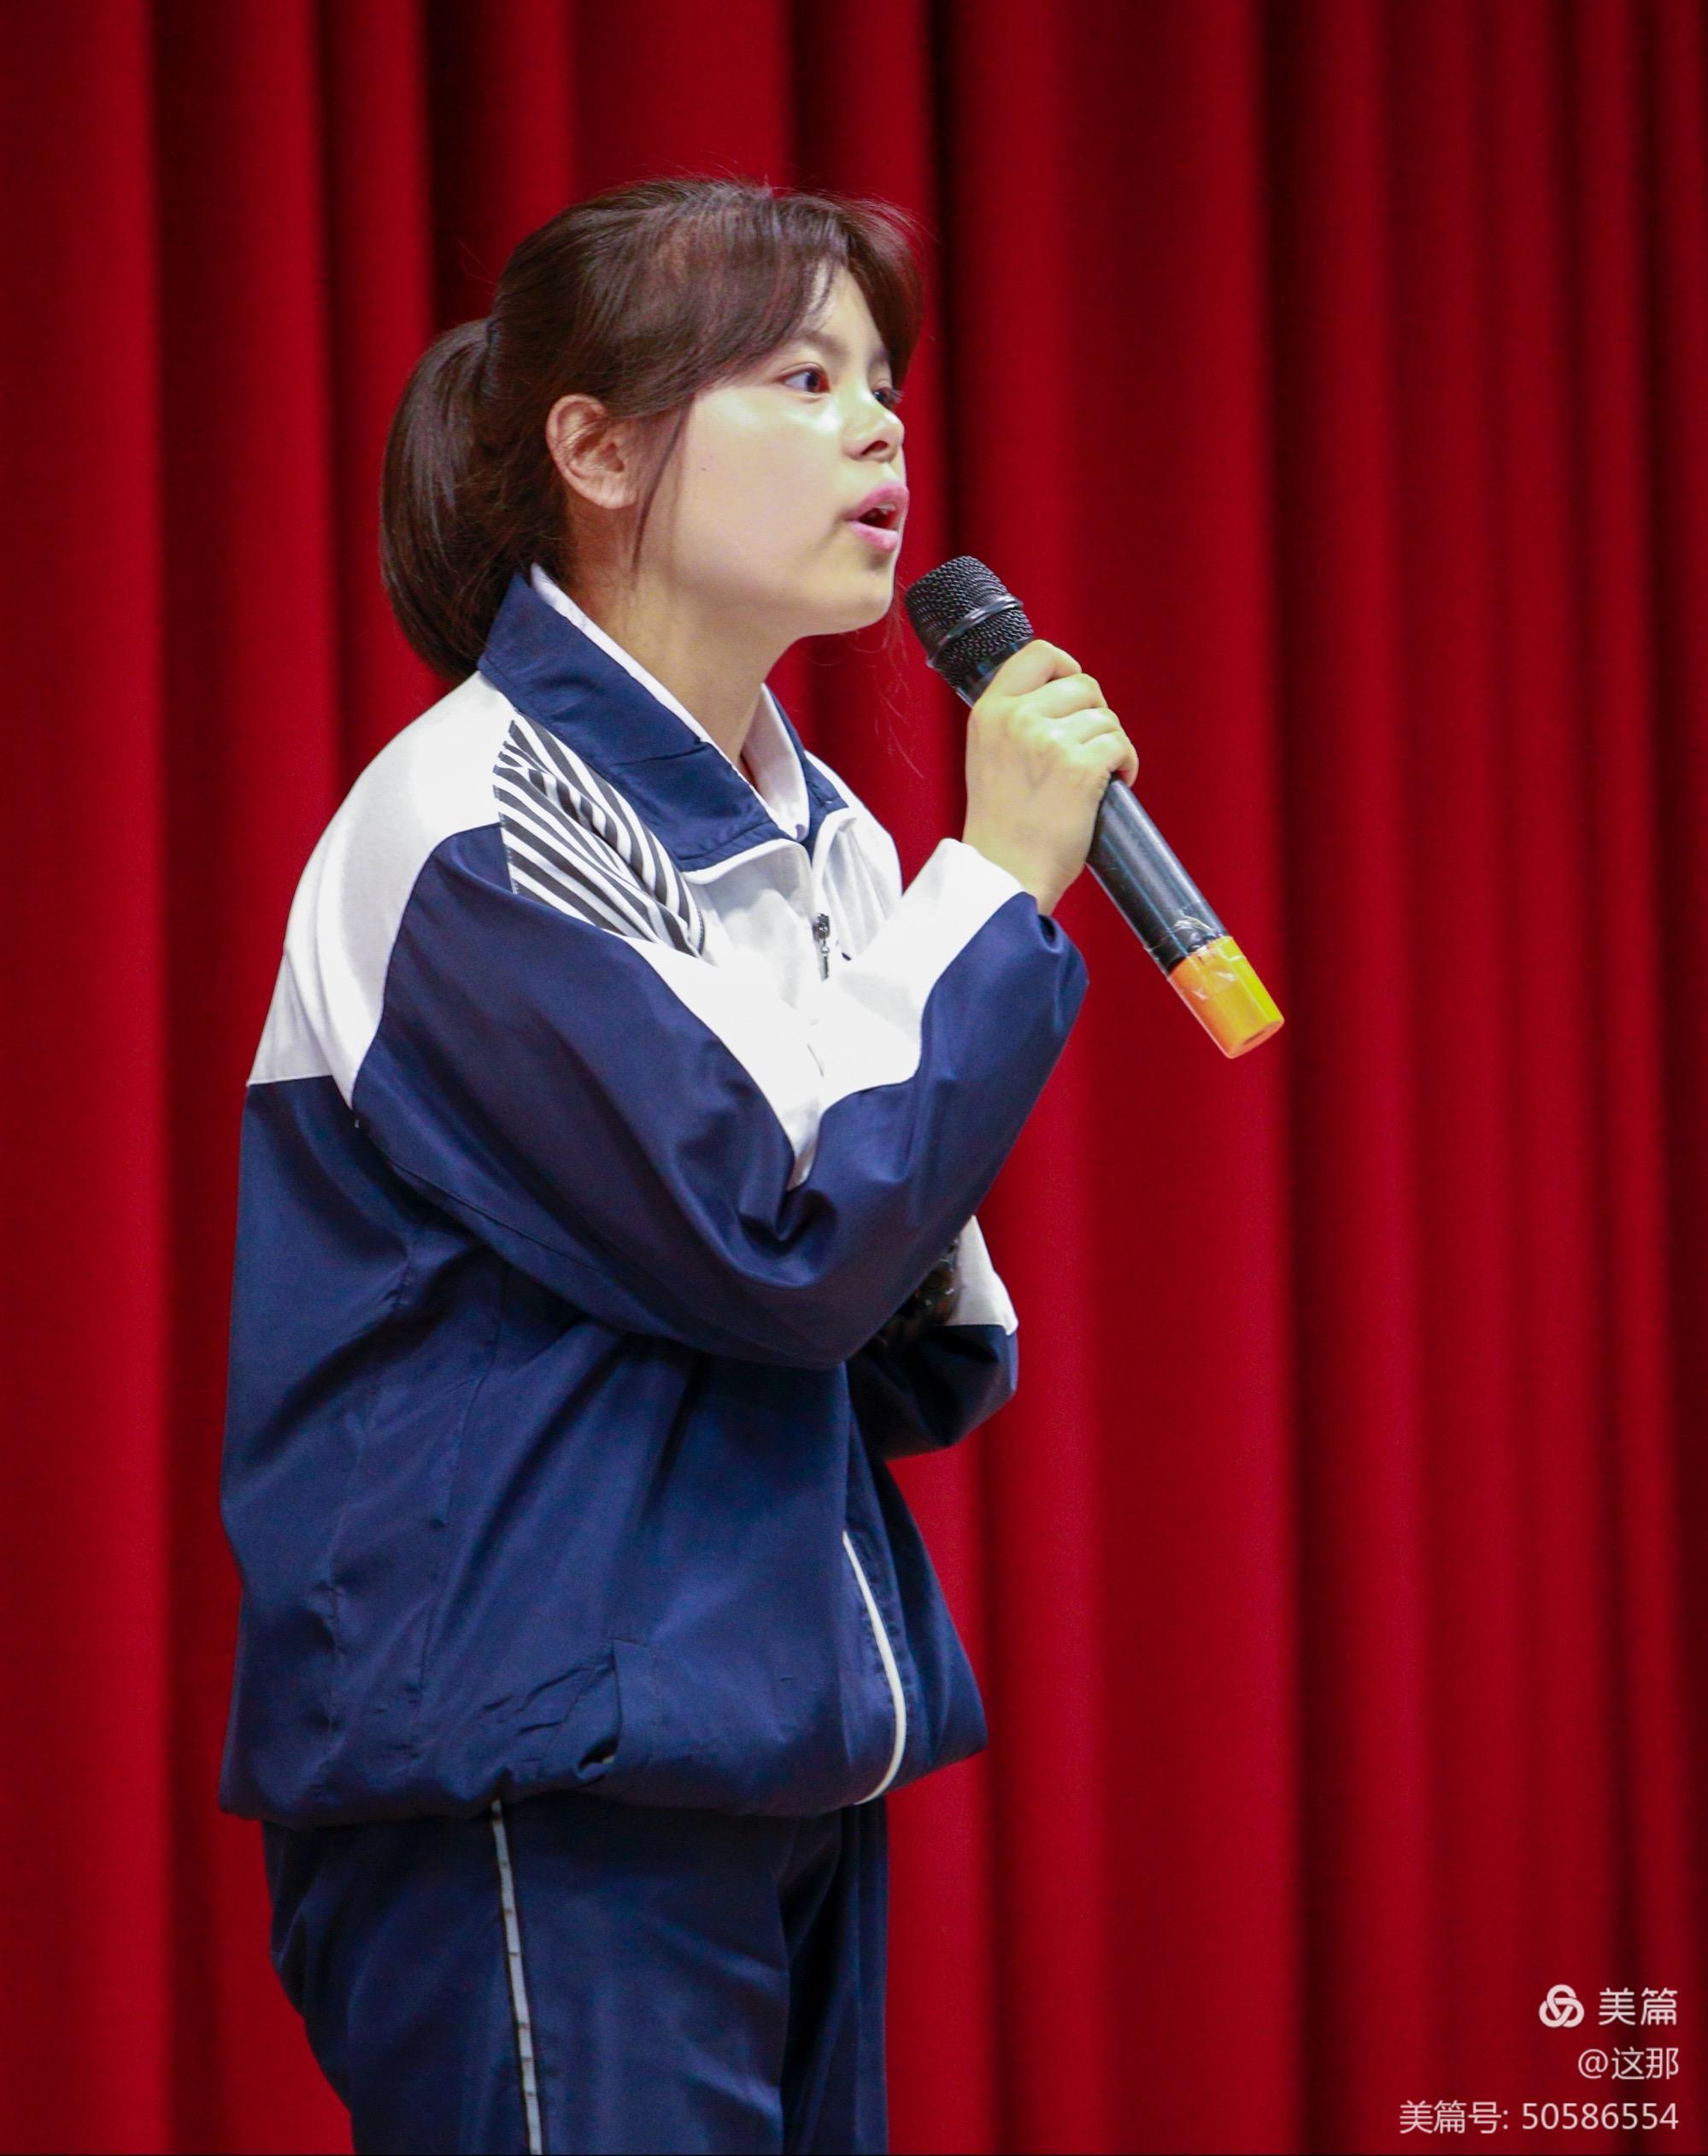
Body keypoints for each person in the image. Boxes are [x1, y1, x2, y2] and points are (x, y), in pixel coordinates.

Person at [217, 174, 1137, 2156]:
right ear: (600, 447)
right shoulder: (469, 822)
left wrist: (903, 1068)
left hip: (766, 1747)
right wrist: (996, 890)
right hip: (536, 1779)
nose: (879, 424)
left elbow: (916, 1342)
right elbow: (783, 1240)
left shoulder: (832, 840)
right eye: (801, 378)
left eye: (881, 379)